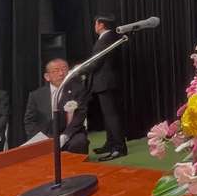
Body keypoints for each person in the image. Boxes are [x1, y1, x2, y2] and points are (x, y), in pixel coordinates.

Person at [24, 58, 89, 154]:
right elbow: (29, 121)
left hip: (71, 133)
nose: (61, 74)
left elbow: (80, 116)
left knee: (79, 142)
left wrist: (65, 136)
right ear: (47, 76)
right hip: (45, 135)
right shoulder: (36, 95)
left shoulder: (78, 90)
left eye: (64, 69)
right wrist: (43, 138)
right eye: (56, 71)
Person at [88, 13, 127, 160]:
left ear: (101, 25)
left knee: (112, 116)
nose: (95, 26)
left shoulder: (107, 38)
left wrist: (80, 69)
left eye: (96, 23)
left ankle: (119, 148)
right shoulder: (109, 37)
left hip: (106, 82)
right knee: (109, 116)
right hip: (107, 82)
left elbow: (96, 61)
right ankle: (110, 143)